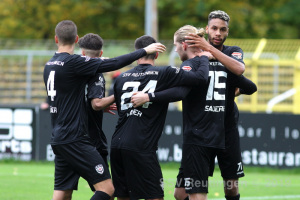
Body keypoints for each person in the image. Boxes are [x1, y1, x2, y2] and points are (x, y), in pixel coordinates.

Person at [131, 13, 257, 199]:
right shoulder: (195, 63)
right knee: (180, 194)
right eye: (214, 28)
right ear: (206, 30)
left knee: (231, 187)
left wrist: (231, 92)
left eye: (222, 29)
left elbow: (245, 78)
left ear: (227, 32)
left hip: (226, 132)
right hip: (200, 134)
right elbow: (178, 90)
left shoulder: (230, 54)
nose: (218, 33)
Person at [43, 20, 166, 200]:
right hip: (75, 137)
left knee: (62, 192)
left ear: (56, 39)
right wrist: (144, 51)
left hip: (58, 138)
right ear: (77, 39)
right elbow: (114, 64)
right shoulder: (74, 63)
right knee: (108, 189)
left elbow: (73, 96)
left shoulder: (49, 65)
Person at [110, 32, 212, 200]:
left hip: (117, 145)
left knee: (123, 197)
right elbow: (200, 78)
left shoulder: (120, 78)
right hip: (142, 145)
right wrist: (202, 57)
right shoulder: (164, 73)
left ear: (138, 54)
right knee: (155, 196)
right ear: (157, 54)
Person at [78, 33, 116, 198]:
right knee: (108, 189)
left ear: (81, 53)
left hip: (68, 139)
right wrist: (118, 94)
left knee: (62, 192)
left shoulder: (72, 72)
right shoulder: (96, 73)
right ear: (100, 54)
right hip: (91, 141)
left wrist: (98, 105)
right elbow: (96, 103)